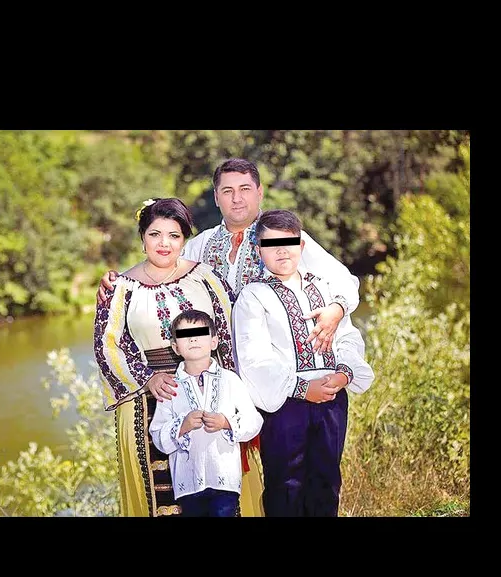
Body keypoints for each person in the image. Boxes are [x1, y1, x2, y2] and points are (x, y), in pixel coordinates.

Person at [94, 198, 265, 517]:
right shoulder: (121, 288)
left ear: (184, 239)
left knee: (223, 496)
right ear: (142, 237)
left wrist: (234, 400)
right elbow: (107, 346)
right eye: (155, 234)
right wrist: (147, 379)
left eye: (174, 235)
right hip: (146, 401)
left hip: (210, 393)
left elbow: (230, 334)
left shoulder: (206, 278)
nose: (164, 243)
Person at [100, 157, 359, 354]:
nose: (237, 198)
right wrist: (119, 281)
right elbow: (162, 267)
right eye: (227, 191)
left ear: (259, 193)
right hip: (219, 369)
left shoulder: (287, 238)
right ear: (216, 197)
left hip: (278, 364)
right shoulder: (200, 245)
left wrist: (336, 310)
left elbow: (343, 280)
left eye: (245, 189)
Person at [233, 209, 375, 517]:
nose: (282, 251)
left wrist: (344, 374)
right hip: (285, 405)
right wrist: (302, 388)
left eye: (288, 242)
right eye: (272, 244)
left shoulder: (325, 290)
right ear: (259, 250)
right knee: (286, 486)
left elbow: (348, 338)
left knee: (326, 482)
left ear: (301, 245)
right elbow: (254, 358)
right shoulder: (253, 296)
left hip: (332, 400)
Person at [148, 311, 263, 517]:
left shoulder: (230, 380)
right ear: (175, 347)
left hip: (225, 480)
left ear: (214, 341)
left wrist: (226, 422)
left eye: (199, 333)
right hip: (188, 484)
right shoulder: (170, 387)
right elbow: (157, 435)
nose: (192, 339)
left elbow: (254, 421)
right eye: (185, 335)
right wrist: (182, 426)